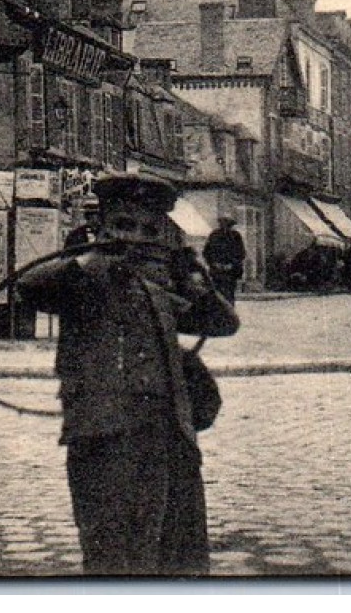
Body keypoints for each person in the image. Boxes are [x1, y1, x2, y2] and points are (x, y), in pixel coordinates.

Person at [16, 173, 239, 575]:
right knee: (109, 557)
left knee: (156, 552)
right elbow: (29, 288)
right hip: (101, 437)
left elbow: (223, 323)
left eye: (147, 229)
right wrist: (89, 262)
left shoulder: (159, 283)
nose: (134, 238)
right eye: (123, 226)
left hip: (161, 437)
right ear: (100, 228)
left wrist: (194, 280)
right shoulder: (80, 278)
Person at [203, 215, 247, 303]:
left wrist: (231, 265)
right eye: (222, 223)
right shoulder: (214, 235)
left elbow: (241, 253)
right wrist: (214, 263)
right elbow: (206, 252)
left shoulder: (236, 236)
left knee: (229, 294)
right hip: (217, 271)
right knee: (218, 294)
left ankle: (229, 312)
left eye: (227, 224)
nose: (224, 226)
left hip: (231, 272)